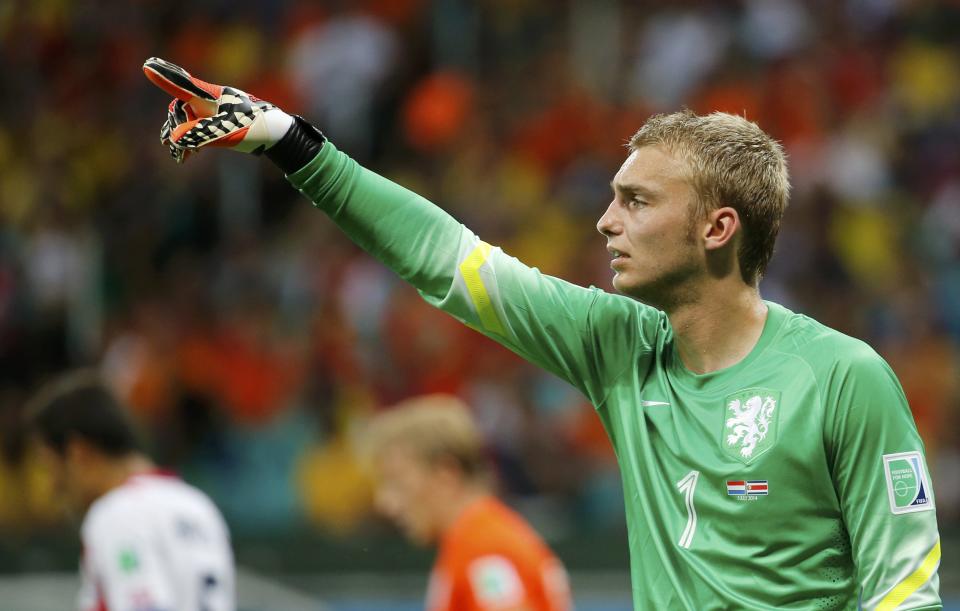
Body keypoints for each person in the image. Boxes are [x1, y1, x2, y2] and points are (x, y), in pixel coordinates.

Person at [142, 57, 942, 610]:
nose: (605, 220)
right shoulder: (617, 346)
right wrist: (288, 139)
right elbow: (448, 260)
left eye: (636, 201)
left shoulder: (843, 377)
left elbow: (905, 588)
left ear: (716, 227)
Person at [24, 370, 235, 611]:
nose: (53, 488)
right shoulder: (199, 505)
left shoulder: (118, 514)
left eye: (51, 468)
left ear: (77, 452)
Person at [360, 394, 572, 611]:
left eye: (398, 483)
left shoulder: (483, 548)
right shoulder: (479, 538)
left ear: (446, 474)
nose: (385, 503)